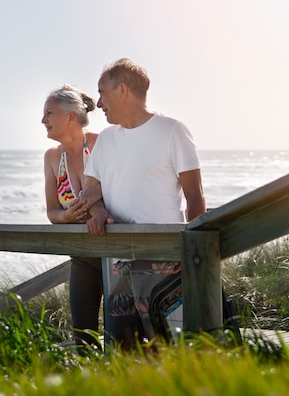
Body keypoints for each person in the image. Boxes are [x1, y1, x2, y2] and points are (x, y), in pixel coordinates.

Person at [74, 58, 206, 349]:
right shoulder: (106, 139)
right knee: (123, 347)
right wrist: (98, 212)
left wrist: (197, 256)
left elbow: (195, 195)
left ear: (122, 90)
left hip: (164, 260)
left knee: (172, 345)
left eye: (102, 93)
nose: (98, 102)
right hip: (118, 260)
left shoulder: (172, 130)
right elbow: (91, 188)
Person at [42, 84, 103, 347]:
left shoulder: (102, 143)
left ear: (69, 116)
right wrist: (67, 217)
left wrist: (93, 201)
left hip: (119, 254)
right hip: (82, 256)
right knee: (83, 337)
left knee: (122, 334)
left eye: (48, 113)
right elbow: (52, 212)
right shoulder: (52, 157)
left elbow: (124, 186)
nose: (43, 120)